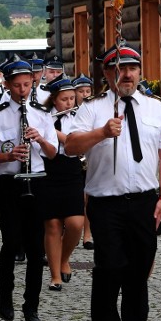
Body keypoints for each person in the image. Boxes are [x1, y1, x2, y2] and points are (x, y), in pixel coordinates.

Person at [65, 45, 161, 321]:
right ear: (107, 73)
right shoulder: (92, 109)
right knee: (110, 267)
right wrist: (101, 132)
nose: (126, 74)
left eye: (131, 68)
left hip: (144, 201)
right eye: (119, 68)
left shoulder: (157, 109)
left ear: (140, 72)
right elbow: (72, 147)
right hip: (105, 202)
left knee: (139, 270)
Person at [0, 58, 58, 321]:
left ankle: (31, 307)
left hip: (36, 180)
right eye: (17, 85)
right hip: (9, 181)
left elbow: (53, 152)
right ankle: (5, 296)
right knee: (12, 242)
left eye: (27, 84)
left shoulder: (41, 112)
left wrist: (41, 139)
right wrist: (8, 155)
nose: (23, 90)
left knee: (37, 249)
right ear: (8, 85)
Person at [42, 76, 86, 291]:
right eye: (64, 99)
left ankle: (64, 257)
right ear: (54, 100)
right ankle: (55, 274)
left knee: (76, 223)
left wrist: (58, 134)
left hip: (72, 169)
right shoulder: (43, 117)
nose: (69, 103)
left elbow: (78, 142)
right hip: (50, 169)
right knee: (53, 225)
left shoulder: (79, 118)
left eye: (72, 99)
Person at [72, 74, 95, 250]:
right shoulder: (70, 113)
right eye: (81, 91)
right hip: (73, 159)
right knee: (77, 197)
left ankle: (87, 235)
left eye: (88, 91)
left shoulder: (93, 111)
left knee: (88, 198)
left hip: (89, 159)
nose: (85, 94)